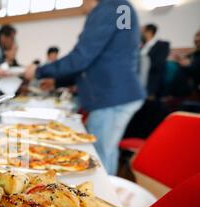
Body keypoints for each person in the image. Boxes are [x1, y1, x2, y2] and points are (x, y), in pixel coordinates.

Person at [25, 0, 145, 175]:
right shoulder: (122, 7)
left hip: (110, 96)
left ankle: (102, 199)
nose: (83, 7)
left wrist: (39, 70)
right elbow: (104, 57)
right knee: (107, 152)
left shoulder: (108, 7)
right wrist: (57, 82)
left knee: (98, 156)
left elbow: (82, 57)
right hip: (119, 92)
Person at [140, 24, 170, 99]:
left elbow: (158, 65)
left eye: (142, 31)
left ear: (149, 32)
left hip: (152, 85)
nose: (140, 34)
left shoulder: (162, 45)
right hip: (141, 83)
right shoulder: (142, 47)